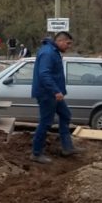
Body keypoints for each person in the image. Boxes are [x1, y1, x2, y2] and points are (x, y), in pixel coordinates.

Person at [30, 31, 79, 163]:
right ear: (60, 41)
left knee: (65, 115)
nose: (69, 46)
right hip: (47, 94)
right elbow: (44, 74)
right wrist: (56, 91)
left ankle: (67, 148)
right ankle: (36, 153)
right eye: (68, 43)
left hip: (54, 93)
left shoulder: (53, 51)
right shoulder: (48, 53)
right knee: (46, 122)